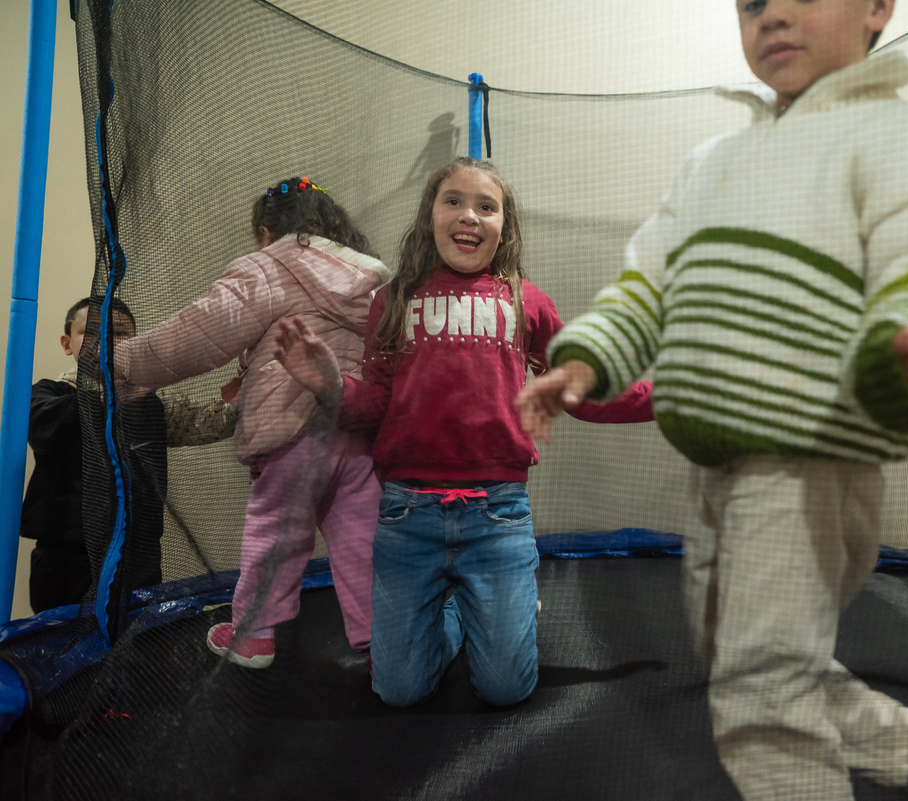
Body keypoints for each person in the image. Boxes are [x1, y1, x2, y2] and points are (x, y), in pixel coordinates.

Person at [516, 2, 908, 799]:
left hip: (809, 461)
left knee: (760, 697)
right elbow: (648, 284)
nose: (773, 14)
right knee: (745, 655)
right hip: (714, 467)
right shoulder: (712, 161)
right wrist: (584, 361)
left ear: (879, 8)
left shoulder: (897, 132)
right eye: (751, 2)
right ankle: (904, 742)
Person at [273, 157, 655, 707]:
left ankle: (491, 607)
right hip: (407, 517)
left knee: (504, 689)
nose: (468, 216)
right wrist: (330, 386)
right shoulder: (393, 300)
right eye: (453, 201)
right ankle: (458, 614)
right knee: (398, 691)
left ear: (505, 226)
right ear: (430, 215)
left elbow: (582, 392)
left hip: (496, 516)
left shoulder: (527, 301)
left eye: (486, 206)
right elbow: (375, 405)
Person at [113, 177, 392, 668]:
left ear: (266, 232)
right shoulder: (373, 278)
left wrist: (125, 363)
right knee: (362, 541)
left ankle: (254, 635)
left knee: (275, 537)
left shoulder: (270, 265)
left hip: (293, 431)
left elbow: (200, 333)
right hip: (358, 434)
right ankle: (381, 644)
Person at [21, 297, 237, 613]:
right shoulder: (49, 394)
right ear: (67, 343)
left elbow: (205, 421)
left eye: (120, 334)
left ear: (135, 344)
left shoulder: (149, 402)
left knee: (134, 643)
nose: (106, 341)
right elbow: (42, 427)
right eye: (91, 332)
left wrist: (247, 401)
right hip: (66, 556)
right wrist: (106, 395)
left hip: (138, 555)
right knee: (64, 643)